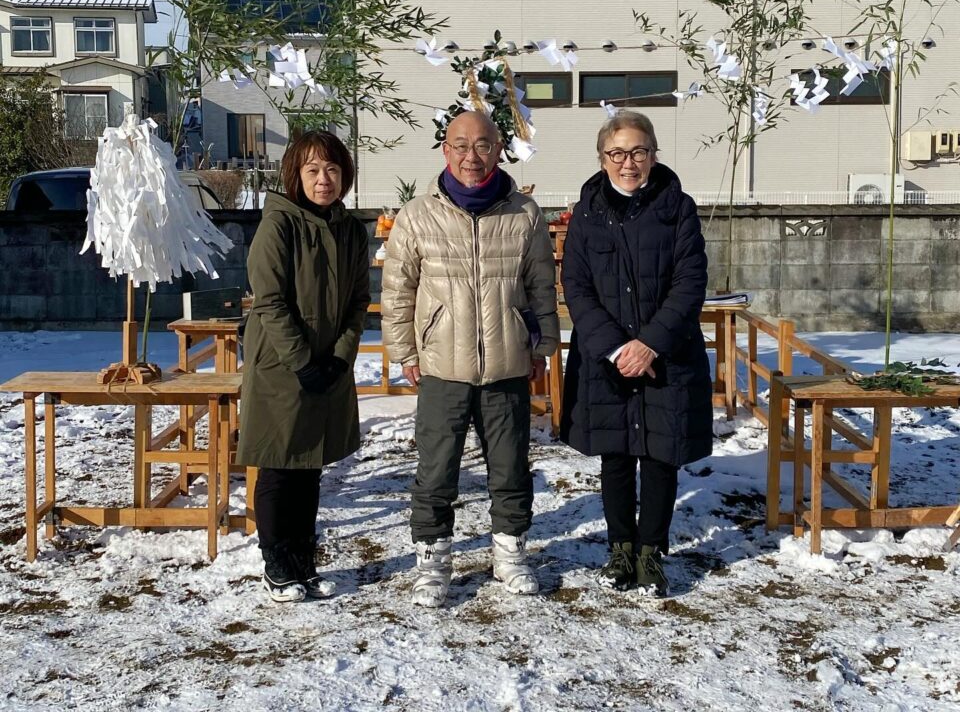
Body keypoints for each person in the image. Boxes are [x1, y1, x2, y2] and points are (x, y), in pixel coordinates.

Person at [382, 110, 559, 608]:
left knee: (510, 467)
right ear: (445, 150)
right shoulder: (419, 215)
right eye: (460, 145)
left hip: (507, 362)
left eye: (482, 146)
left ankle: (509, 553)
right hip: (442, 365)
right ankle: (433, 560)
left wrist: (542, 345)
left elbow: (541, 285)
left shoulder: (524, 213)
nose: (471, 157)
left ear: (498, 149)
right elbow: (398, 290)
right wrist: (403, 350)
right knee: (436, 469)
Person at [560, 111, 712, 596]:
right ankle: (620, 549)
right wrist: (616, 346)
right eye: (618, 153)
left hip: (665, 355)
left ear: (654, 155)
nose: (629, 163)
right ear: (603, 158)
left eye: (639, 152)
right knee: (617, 456)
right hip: (607, 358)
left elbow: (690, 284)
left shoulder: (678, 208)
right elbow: (576, 286)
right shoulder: (586, 213)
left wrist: (649, 344)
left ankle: (652, 552)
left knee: (660, 455)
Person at [236, 131, 370, 603]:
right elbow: (269, 303)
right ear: (295, 173)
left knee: (310, 466)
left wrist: (339, 356)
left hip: (328, 364)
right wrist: (302, 361)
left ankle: (302, 558)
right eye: (312, 170)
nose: (323, 179)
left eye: (332, 169)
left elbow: (358, 302)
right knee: (279, 464)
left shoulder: (350, 229)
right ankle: (276, 561)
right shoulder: (279, 225)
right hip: (280, 365)